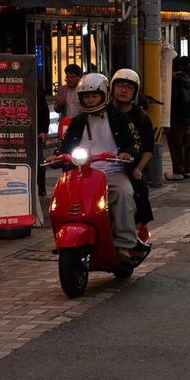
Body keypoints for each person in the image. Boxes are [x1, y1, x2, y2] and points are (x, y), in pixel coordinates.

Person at [58, 73, 143, 263]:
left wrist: (128, 153)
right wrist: (56, 155)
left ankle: (124, 244)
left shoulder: (119, 117)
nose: (90, 100)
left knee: (123, 193)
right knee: (63, 199)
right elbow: (64, 146)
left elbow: (135, 142)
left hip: (113, 170)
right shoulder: (77, 121)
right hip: (82, 173)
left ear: (104, 95)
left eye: (94, 96)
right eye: (86, 96)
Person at [109, 69, 156, 229]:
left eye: (129, 88)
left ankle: (134, 234)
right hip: (102, 167)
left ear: (135, 92)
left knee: (138, 192)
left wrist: (138, 169)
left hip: (130, 167)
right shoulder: (103, 112)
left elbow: (148, 149)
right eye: (120, 86)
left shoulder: (141, 117)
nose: (123, 90)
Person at [166, 56, 190, 180]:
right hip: (188, 116)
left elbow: (173, 101)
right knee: (185, 142)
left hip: (176, 117)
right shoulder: (187, 79)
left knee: (175, 142)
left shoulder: (174, 82)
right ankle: (186, 169)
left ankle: (178, 171)